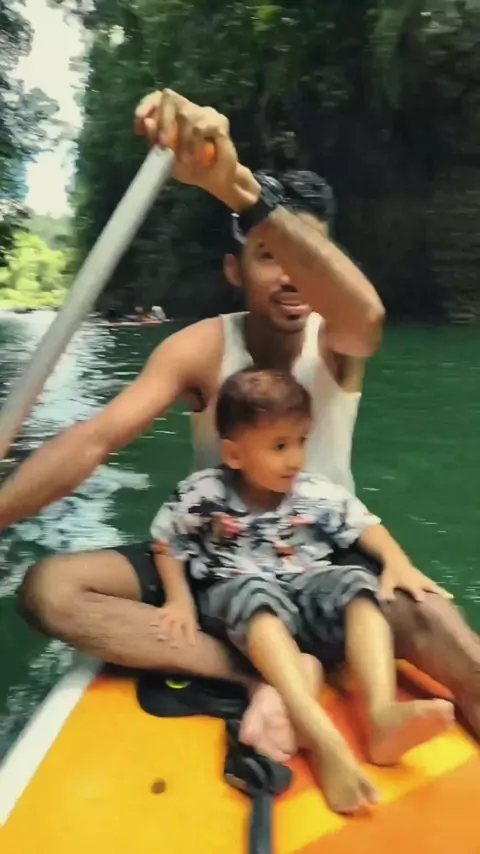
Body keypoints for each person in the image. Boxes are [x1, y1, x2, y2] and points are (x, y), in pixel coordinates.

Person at [0, 88, 479, 762]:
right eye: (268, 255)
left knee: (451, 638)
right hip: (218, 561)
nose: (291, 278)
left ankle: (312, 665)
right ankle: (266, 672)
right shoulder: (198, 348)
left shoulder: (337, 341)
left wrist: (240, 190)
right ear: (235, 268)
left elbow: (367, 316)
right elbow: (95, 439)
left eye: (306, 257)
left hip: (326, 559)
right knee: (50, 590)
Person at [150, 367, 453, 813]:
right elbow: (165, 543)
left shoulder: (314, 492)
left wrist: (398, 561)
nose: (295, 459)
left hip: (304, 584)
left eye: (301, 442)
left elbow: (365, 525)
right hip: (236, 588)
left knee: (355, 583)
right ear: (234, 453)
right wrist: (178, 598)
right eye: (279, 446)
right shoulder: (203, 494)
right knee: (255, 595)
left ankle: (381, 716)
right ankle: (321, 735)